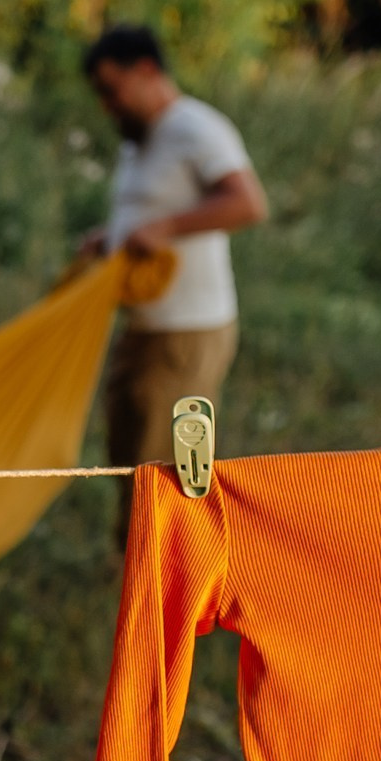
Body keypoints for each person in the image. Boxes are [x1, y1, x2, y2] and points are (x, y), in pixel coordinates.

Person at [76, 24, 268, 499]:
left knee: (163, 481)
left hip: (185, 333)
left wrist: (164, 229)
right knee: (132, 463)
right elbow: (151, 209)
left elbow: (248, 205)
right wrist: (112, 238)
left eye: (111, 91)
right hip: (143, 328)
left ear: (145, 71)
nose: (107, 105)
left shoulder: (195, 127)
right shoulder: (139, 139)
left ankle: (164, 571)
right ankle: (135, 565)